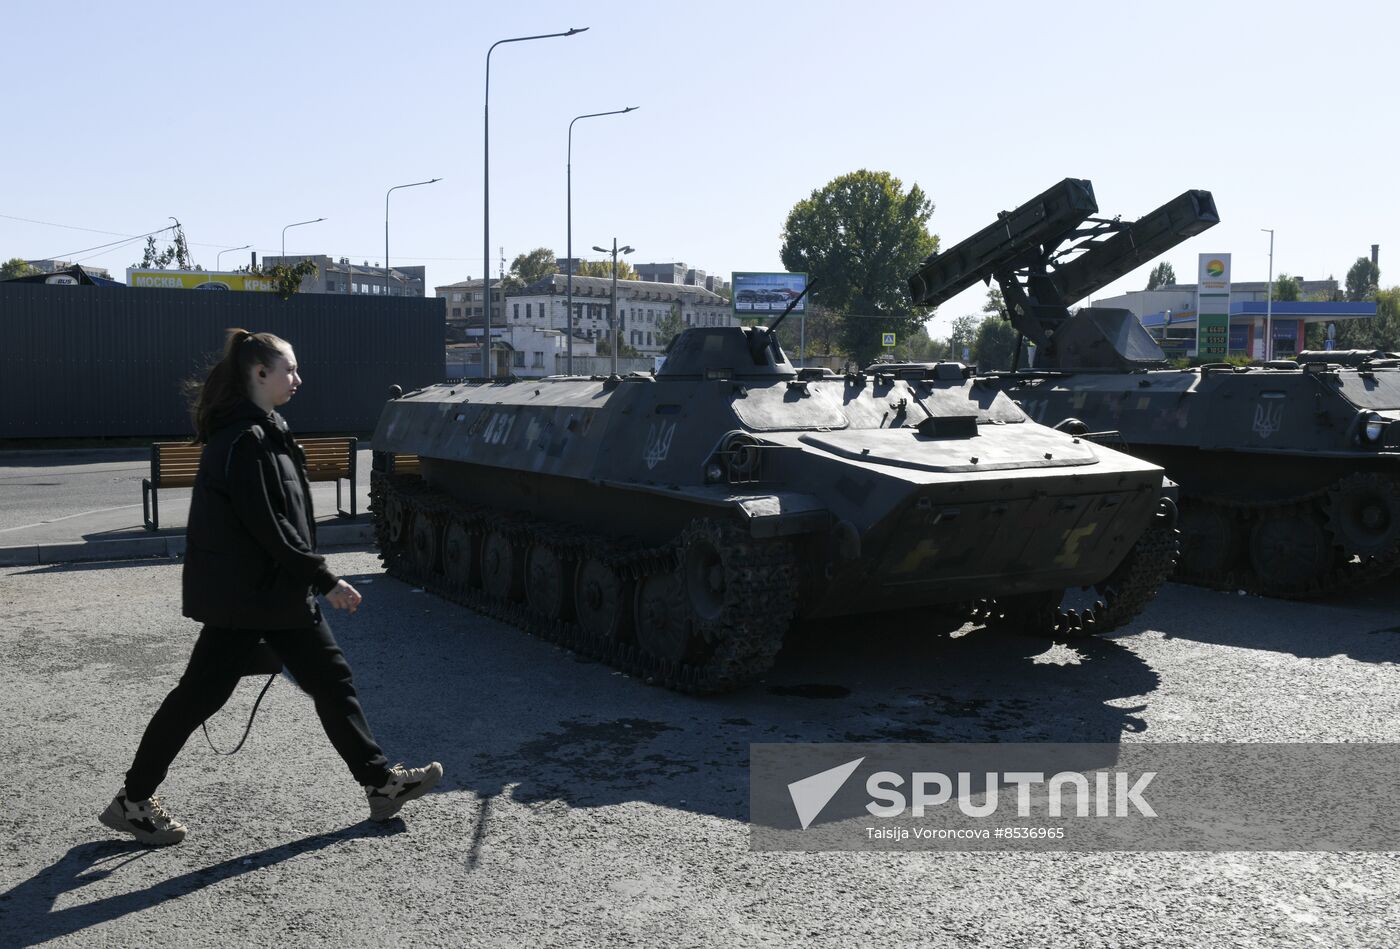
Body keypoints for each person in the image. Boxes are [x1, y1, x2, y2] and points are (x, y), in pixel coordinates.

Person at [100, 328, 441, 846]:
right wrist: (325, 579)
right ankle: (133, 800)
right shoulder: (245, 440)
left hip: (274, 595)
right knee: (198, 699)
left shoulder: (264, 431)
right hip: (250, 598)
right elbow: (267, 525)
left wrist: (307, 580)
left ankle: (379, 784)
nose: (297, 378)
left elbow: (281, 522)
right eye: (289, 369)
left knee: (332, 681)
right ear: (259, 373)